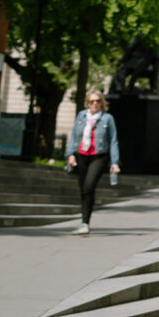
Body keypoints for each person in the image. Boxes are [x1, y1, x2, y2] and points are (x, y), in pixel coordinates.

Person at [66, 91, 120, 234]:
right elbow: (73, 136)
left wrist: (114, 162)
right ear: (87, 103)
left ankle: (85, 223)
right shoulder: (81, 116)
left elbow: (113, 141)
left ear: (102, 102)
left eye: (97, 101)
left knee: (89, 186)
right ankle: (84, 221)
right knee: (83, 189)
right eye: (91, 101)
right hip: (81, 156)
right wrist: (70, 154)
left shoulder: (108, 118)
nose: (95, 104)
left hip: (99, 156)